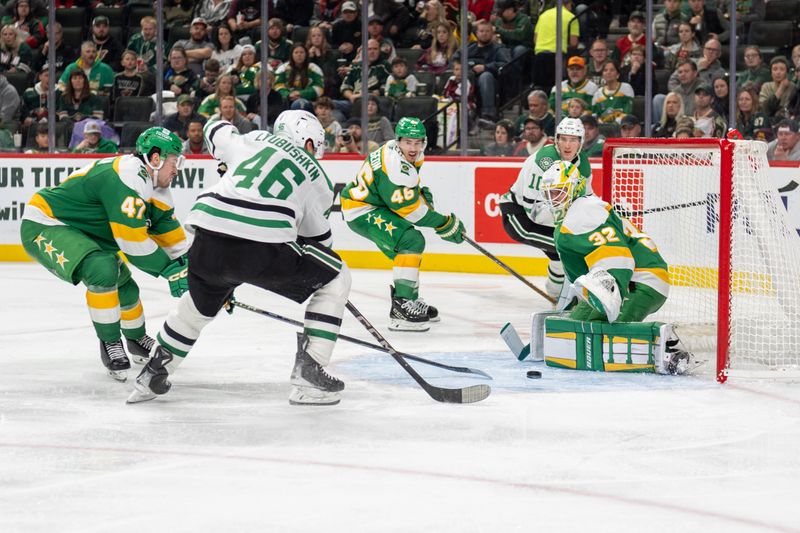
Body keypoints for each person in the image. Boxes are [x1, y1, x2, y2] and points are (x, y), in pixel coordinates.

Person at [129, 110, 352, 407]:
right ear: (309, 142)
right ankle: (311, 370)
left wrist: (227, 159)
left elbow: (215, 128)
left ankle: (154, 373)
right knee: (336, 277)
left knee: (199, 303)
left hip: (207, 236)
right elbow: (320, 244)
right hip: (261, 249)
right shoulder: (319, 180)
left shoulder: (254, 138)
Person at [19, 127, 189, 382]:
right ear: (156, 158)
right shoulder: (128, 175)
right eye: (175, 161)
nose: (177, 169)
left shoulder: (158, 188)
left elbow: (177, 245)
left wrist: (203, 279)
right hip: (47, 223)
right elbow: (131, 241)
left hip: (86, 233)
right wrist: (169, 271)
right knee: (103, 269)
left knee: (125, 286)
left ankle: (135, 339)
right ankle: (110, 343)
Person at [534, 159, 693, 375]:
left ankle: (666, 347)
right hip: (626, 279)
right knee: (577, 327)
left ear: (576, 188)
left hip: (641, 280)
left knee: (604, 336)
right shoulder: (575, 215)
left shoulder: (584, 211)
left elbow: (620, 258)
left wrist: (612, 295)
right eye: (549, 194)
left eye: (559, 192)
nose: (553, 200)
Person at [340, 117, 466, 331]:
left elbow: (403, 195)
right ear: (398, 141)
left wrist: (416, 194)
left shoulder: (395, 149)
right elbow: (411, 212)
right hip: (361, 209)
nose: (414, 148)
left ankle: (410, 300)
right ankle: (401, 308)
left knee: (408, 246)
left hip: (376, 203)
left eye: (418, 142)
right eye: (408, 142)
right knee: (411, 239)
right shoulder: (395, 165)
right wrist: (443, 223)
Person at [499, 117, 592, 301]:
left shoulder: (583, 164)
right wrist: (569, 216)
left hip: (547, 217)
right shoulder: (544, 160)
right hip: (519, 217)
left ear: (580, 142)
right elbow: (534, 212)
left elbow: (586, 200)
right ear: (556, 139)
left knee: (559, 257)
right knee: (568, 248)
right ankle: (573, 298)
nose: (567, 145)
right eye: (563, 139)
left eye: (573, 140)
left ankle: (556, 295)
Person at [274, 42, 325, 111]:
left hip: (309, 102)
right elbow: (277, 85)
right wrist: (288, 95)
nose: (299, 55)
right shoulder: (282, 69)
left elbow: (319, 88)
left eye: (302, 52)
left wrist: (301, 94)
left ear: (306, 54)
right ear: (291, 55)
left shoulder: (314, 68)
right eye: (296, 52)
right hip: (287, 102)